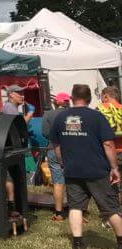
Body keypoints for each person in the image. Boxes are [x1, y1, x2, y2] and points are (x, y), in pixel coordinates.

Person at [48, 84, 122, 249]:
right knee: (110, 208)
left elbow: (56, 144)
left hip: (73, 169)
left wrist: (63, 162)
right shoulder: (97, 117)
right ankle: (120, 244)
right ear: (89, 99)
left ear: (72, 99)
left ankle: (78, 245)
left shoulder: (61, 117)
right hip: (97, 170)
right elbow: (108, 144)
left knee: (75, 207)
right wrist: (114, 168)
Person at [42, 93, 71, 221]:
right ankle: (76, 211)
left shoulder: (48, 114)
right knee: (73, 181)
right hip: (71, 149)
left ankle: (59, 213)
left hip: (53, 148)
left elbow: (45, 133)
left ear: (57, 102)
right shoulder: (72, 114)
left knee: (58, 181)